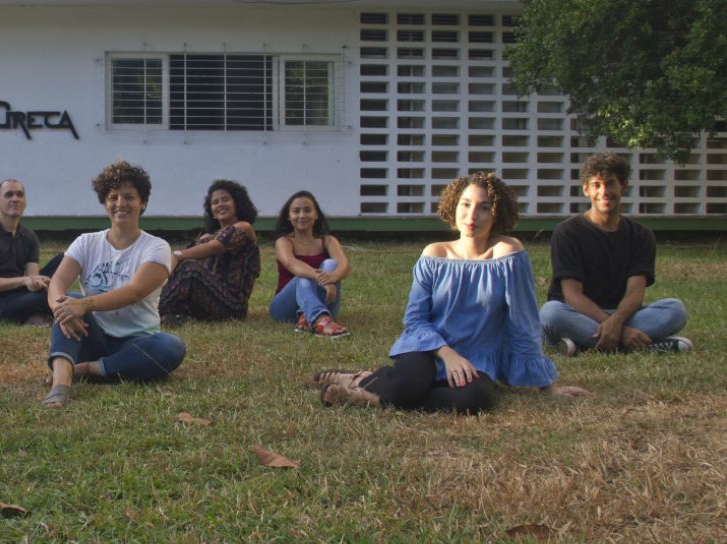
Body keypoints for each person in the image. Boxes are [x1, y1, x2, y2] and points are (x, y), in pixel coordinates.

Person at [313, 173, 588, 413]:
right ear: (453, 206)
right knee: (411, 382)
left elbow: (524, 322)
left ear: (497, 213)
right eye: (466, 204)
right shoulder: (434, 254)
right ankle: (368, 386)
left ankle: (370, 389)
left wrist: (546, 386)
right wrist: (446, 353)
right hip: (428, 347)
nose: (472, 216)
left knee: (475, 399)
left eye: (484, 207)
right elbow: (415, 320)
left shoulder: (508, 255)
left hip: (476, 357)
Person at [42, 161, 186, 407]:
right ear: (105, 203)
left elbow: (135, 291)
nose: (120, 203)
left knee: (171, 346)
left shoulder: (157, 247)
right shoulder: (86, 242)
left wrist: (84, 305)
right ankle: (61, 383)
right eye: (113, 197)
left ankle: (89, 369)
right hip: (91, 335)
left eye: (129, 197)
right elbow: (58, 281)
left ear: (143, 203)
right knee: (67, 300)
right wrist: (60, 308)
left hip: (137, 342)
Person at [540, 152, 691, 355]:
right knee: (551, 313)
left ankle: (582, 345)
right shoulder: (567, 232)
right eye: (597, 185)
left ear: (623, 186)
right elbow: (572, 295)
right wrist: (621, 330)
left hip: (622, 313)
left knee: (675, 310)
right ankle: (641, 345)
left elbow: (635, 292)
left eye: (610, 184)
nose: (604, 191)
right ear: (586, 189)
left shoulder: (641, 235)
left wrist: (617, 322)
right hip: (578, 313)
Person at [159, 179, 260, 323]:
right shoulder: (207, 237)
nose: (220, 204)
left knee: (190, 269)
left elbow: (214, 247)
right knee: (180, 268)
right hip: (205, 302)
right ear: (212, 211)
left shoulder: (243, 228)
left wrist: (177, 254)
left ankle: (148, 311)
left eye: (225, 200)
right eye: (215, 202)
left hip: (231, 306)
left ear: (237, 204)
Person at [268, 190, 351, 337]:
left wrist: (333, 277)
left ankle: (308, 317)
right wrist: (322, 279)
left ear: (316, 214)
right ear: (289, 216)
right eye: (296, 211)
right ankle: (320, 320)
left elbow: (344, 266)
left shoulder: (328, 240)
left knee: (331, 263)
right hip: (285, 309)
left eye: (307, 210)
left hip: (326, 302)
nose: (302, 215)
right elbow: (291, 264)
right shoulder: (284, 241)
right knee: (302, 276)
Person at [0, 178, 62, 326]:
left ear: (25, 201)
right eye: (9, 195)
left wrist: (37, 282)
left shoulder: (29, 236)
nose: (15, 199)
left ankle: (36, 315)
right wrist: (24, 280)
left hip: (21, 294)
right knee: (53, 297)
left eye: (19, 194)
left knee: (65, 260)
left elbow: (33, 276)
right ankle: (41, 313)